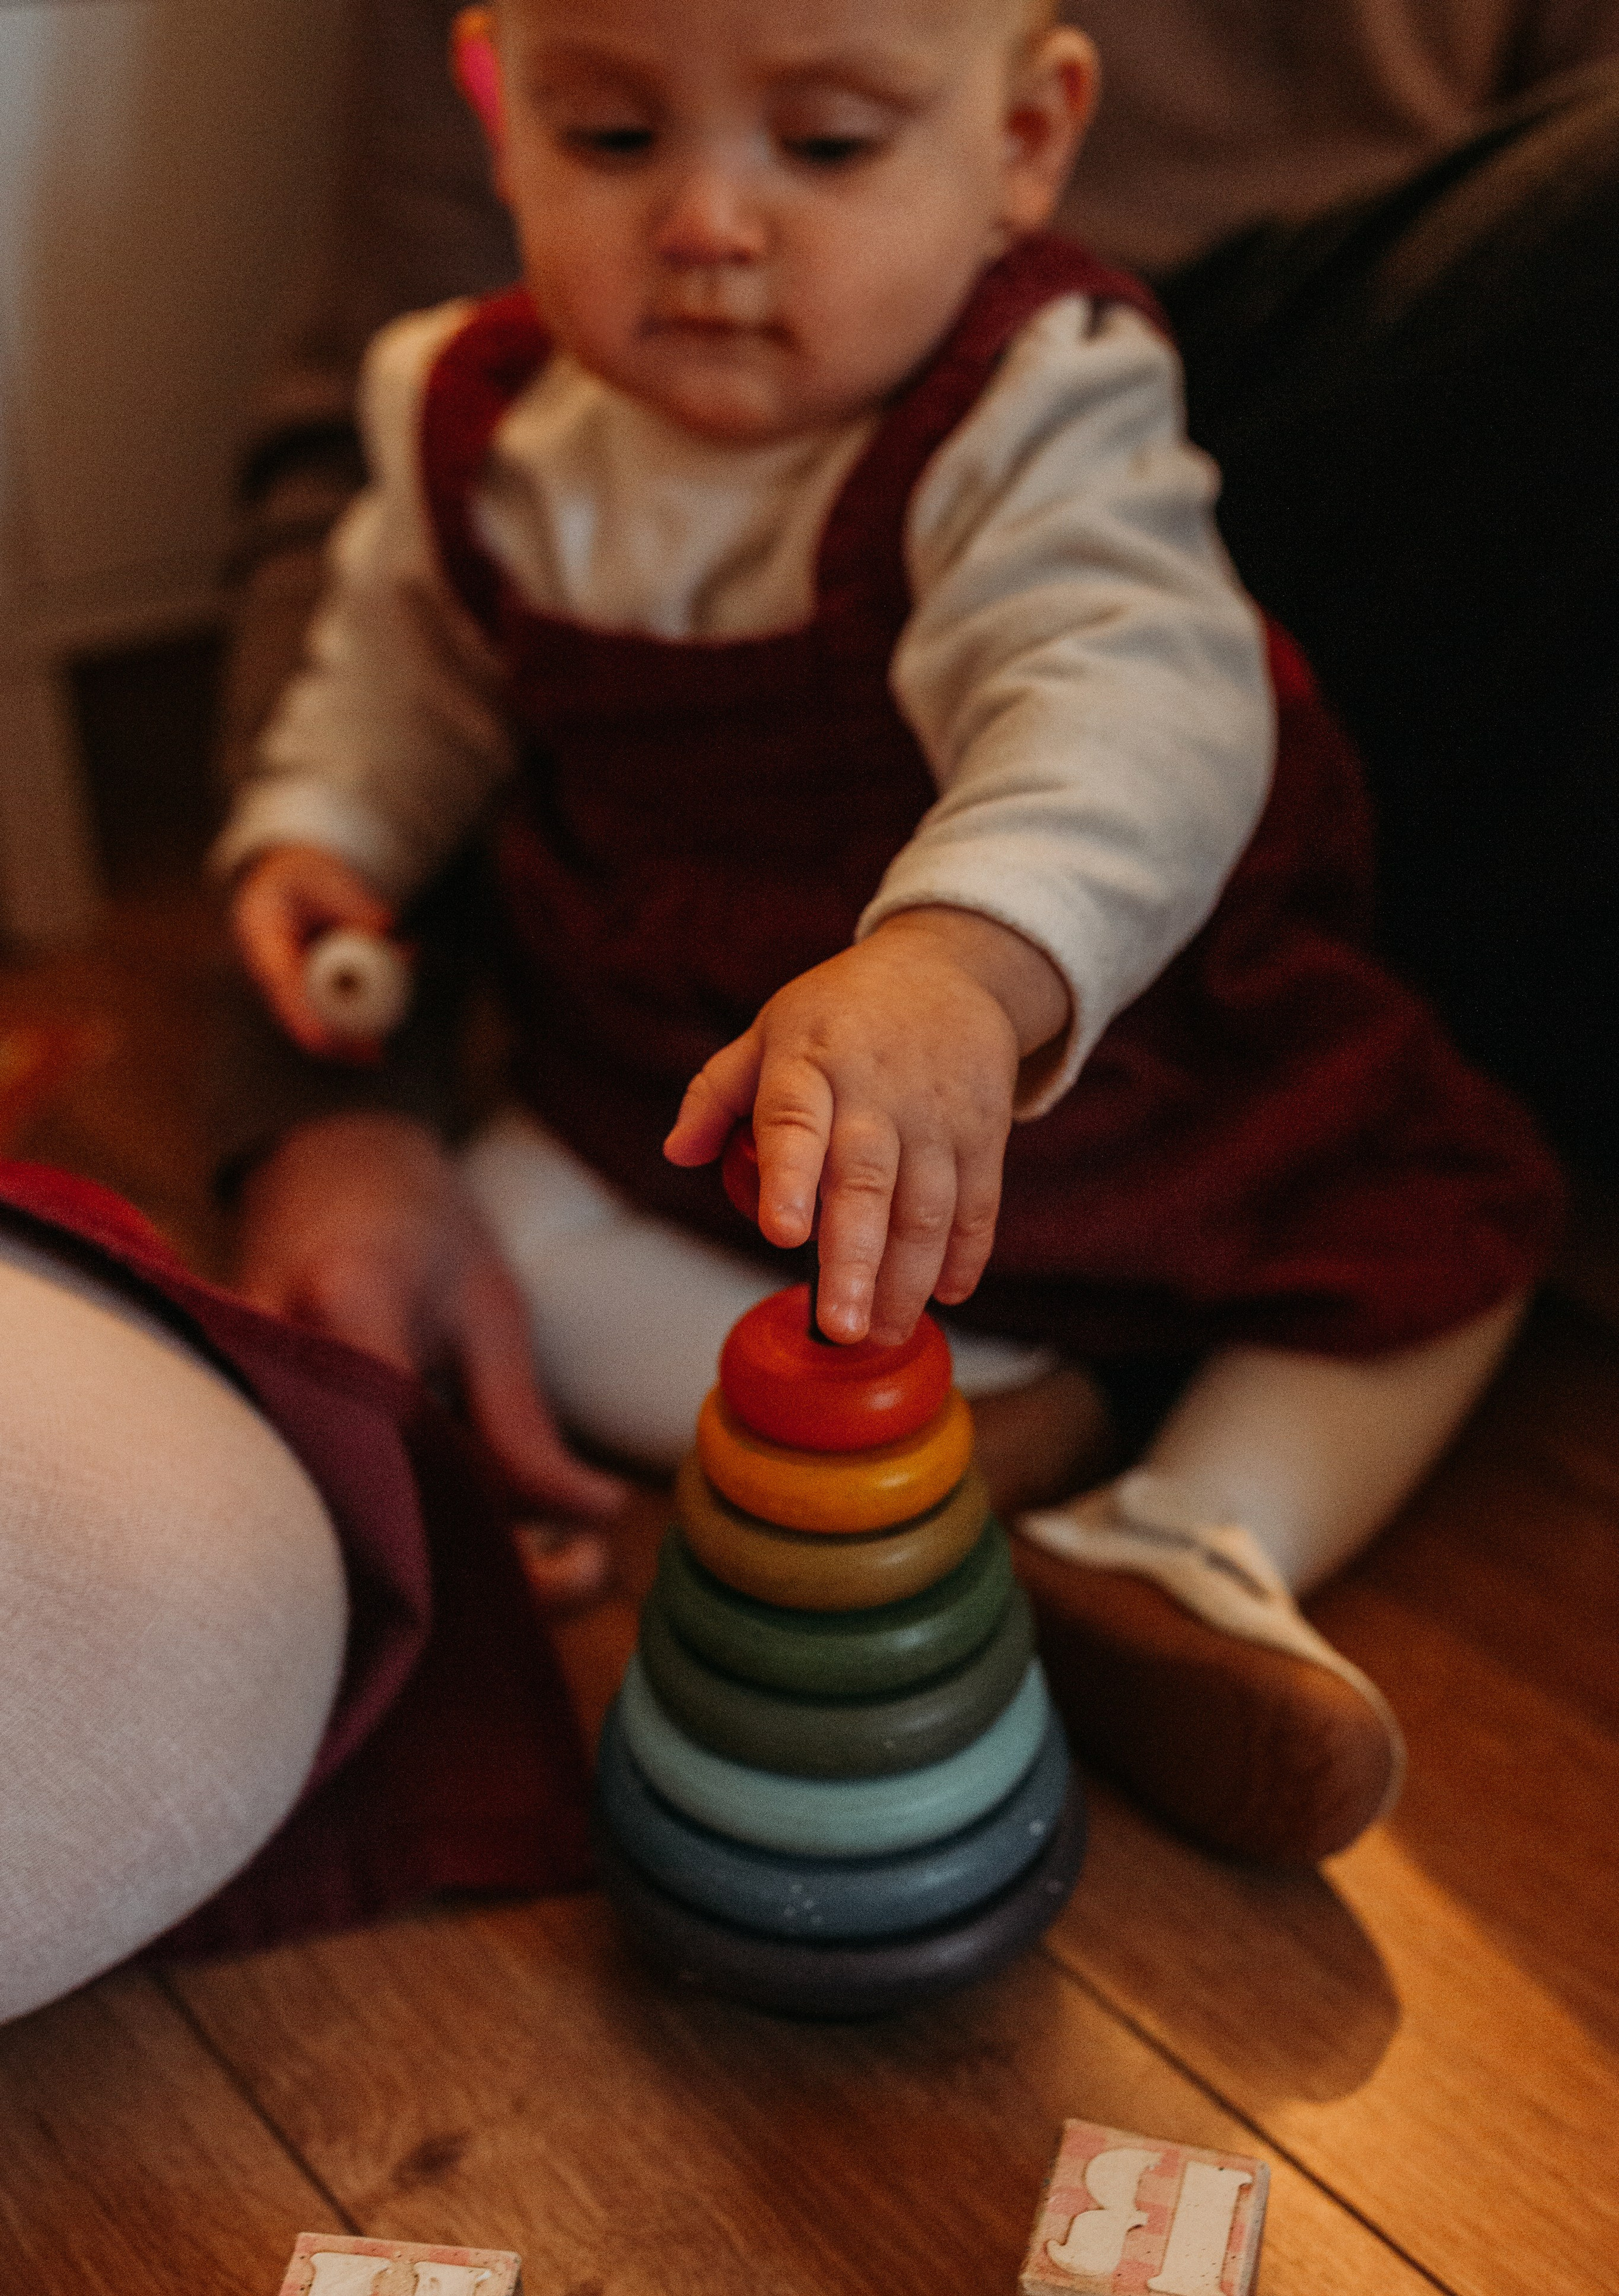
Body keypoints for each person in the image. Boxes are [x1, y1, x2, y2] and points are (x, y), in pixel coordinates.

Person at [209, 0, 1560, 1875]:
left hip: (1101, 1066)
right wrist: (327, 835)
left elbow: (1137, 707)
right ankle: (980, 1437)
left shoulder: (1038, 404)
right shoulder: (469, 410)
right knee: (502, 1253)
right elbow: (408, 677)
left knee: (1443, 1238)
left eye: (826, 149)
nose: (705, 222)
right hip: (683, 1075)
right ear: (492, 109)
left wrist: (962, 958)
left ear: (1025, 136)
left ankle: (1189, 1537)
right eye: (612, 142)